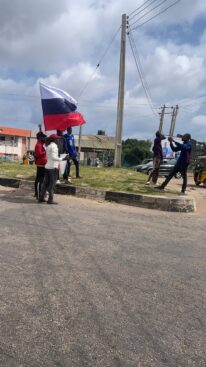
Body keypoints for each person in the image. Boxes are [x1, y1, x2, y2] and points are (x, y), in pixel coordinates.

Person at [38, 135, 69, 204]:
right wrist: (63, 159)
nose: (58, 140)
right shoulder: (54, 146)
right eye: (58, 139)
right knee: (52, 184)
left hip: (47, 166)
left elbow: (47, 156)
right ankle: (50, 199)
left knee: (45, 184)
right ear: (55, 140)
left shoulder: (48, 146)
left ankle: (41, 197)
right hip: (53, 168)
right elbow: (54, 157)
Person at [34, 131, 47, 199]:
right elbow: (38, 154)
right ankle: (38, 194)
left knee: (39, 179)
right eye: (44, 138)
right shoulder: (38, 145)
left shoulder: (40, 144)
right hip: (40, 164)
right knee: (39, 180)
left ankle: (37, 193)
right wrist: (46, 151)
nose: (45, 139)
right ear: (40, 138)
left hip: (42, 163)